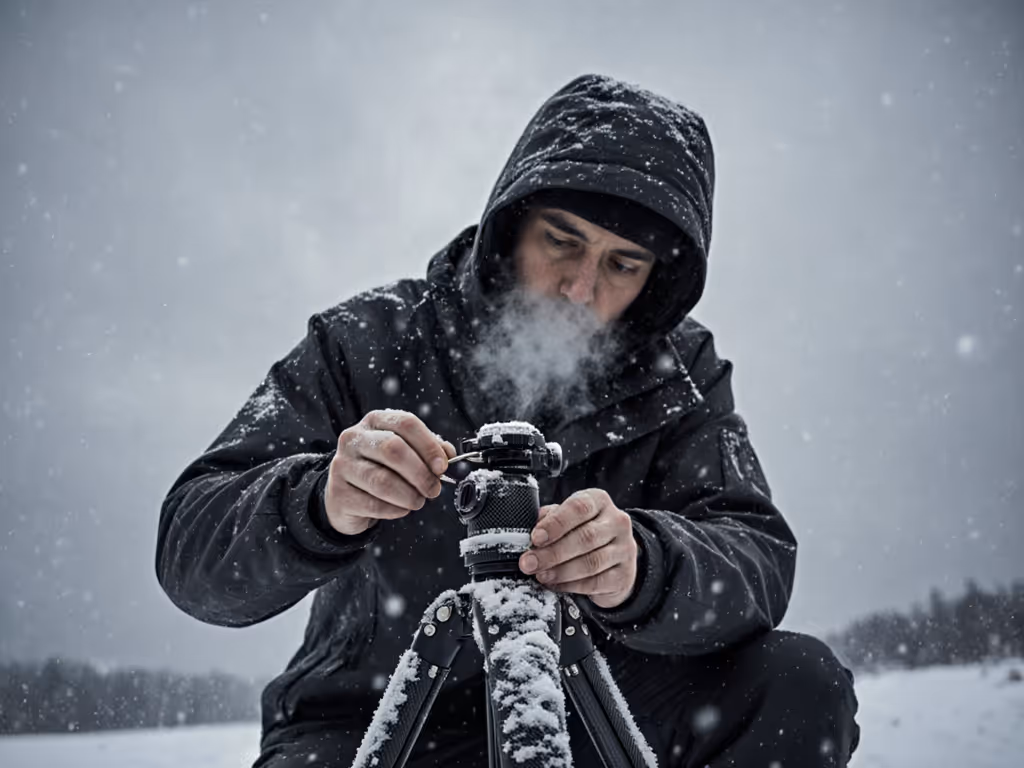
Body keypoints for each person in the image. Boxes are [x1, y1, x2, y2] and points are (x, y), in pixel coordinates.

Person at [157, 73, 860, 767]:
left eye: (623, 263)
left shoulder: (681, 373)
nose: (581, 288)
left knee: (794, 685)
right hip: (368, 717)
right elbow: (192, 554)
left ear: (660, 279)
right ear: (510, 224)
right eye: (562, 240)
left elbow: (755, 555)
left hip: (599, 702)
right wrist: (320, 502)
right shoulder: (369, 340)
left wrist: (643, 566)